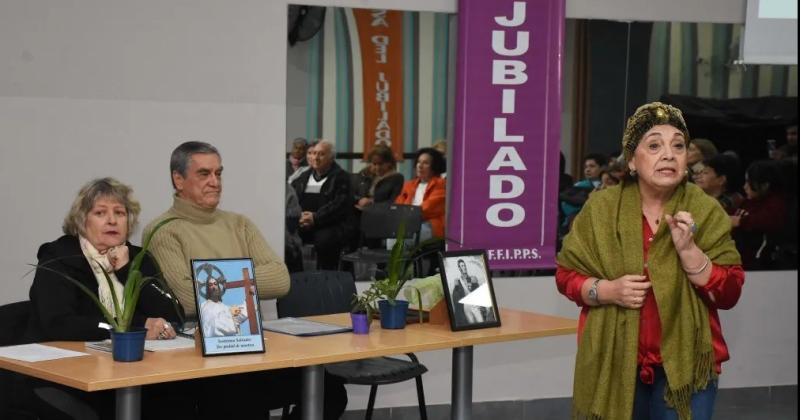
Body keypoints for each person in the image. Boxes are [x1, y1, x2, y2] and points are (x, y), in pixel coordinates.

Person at [556, 102, 744, 420]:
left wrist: (690, 254)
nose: (668, 154)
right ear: (631, 160)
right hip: (614, 363)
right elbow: (566, 275)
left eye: (678, 145)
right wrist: (605, 291)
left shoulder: (706, 211)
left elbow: (730, 293)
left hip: (686, 370)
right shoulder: (600, 210)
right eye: (654, 145)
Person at [146, 141, 347, 419]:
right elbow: (188, 299)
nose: (215, 182)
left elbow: (280, 279)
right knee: (239, 399)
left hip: (251, 346)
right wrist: (243, 277)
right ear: (178, 180)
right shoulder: (163, 231)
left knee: (330, 391)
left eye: (219, 173)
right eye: (204, 174)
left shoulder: (239, 224)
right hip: (200, 356)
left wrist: (213, 281)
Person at [25, 177, 191, 419]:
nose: (112, 220)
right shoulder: (59, 256)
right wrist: (134, 328)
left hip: (138, 372)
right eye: (100, 213)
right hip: (70, 376)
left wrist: (126, 270)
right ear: (82, 221)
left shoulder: (138, 258)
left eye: (120, 213)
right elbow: (58, 321)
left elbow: (174, 314)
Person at [290, 139, 355, 269]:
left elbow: (339, 205)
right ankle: (296, 278)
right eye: (313, 153)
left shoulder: (341, 177)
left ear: (331, 158)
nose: (316, 157)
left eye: (321, 154)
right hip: (304, 222)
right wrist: (299, 216)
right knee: (288, 238)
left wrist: (315, 217)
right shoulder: (303, 177)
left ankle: (325, 278)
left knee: (324, 240)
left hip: (332, 224)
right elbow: (293, 198)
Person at [730, 159, 788, 269]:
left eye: (749, 182)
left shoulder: (777, 204)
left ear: (765, 184)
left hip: (765, 265)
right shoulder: (748, 203)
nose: (745, 187)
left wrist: (741, 221)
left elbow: (769, 222)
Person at [395, 147, 446, 240]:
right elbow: (398, 205)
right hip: (408, 222)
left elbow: (429, 208)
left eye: (425, 163)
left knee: (403, 236)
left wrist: (408, 216)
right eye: (419, 162)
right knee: (392, 234)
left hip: (429, 224)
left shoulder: (441, 183)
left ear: (435, 166)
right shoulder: (408, 185)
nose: (420, 165)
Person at [197, 271, 248, 337]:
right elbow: (209, 327)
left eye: (215, 284)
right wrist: (230, 317)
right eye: (210, 285)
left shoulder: (225, 307)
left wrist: (248, 299)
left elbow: (239, 314)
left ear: (218, 287)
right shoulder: (203, 306)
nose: (213, 287)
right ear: (207, 289)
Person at [354, 143, 404, 210]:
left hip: (382, 214)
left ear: (389, 163)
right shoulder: (365, 173)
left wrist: (372, 202)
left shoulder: (397, 178)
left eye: (380, 164)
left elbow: (394, 202)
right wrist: (359, 200)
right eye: (374, 164)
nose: (377, 168)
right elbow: (354, 193)